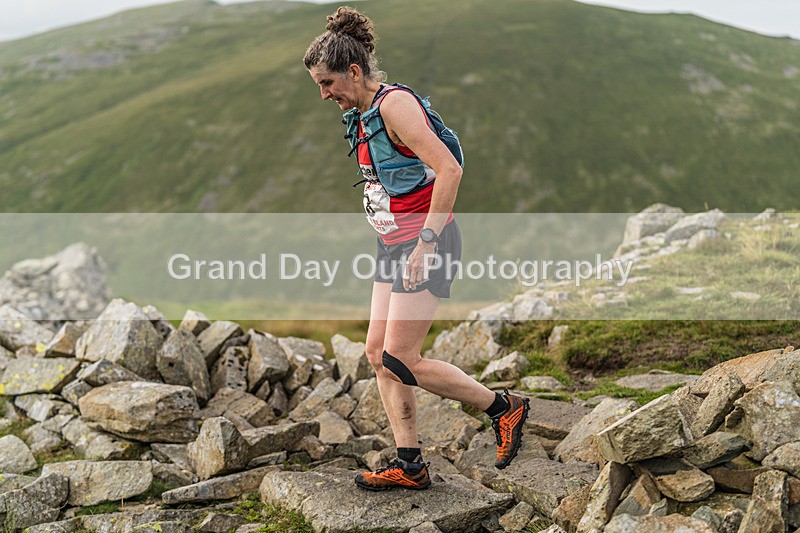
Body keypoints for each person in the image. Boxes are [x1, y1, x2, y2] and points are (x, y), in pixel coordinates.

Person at [304, 5, 530, 491]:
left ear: (355, 71)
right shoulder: (362, 114)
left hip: (426, 241)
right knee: (377, 354)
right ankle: (411, 465)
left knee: (402, 358)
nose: (323, 95)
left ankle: (503, 408)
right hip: (393, 243)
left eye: (327, 83)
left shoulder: (393, 106)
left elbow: (450, 169)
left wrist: (425, 243)